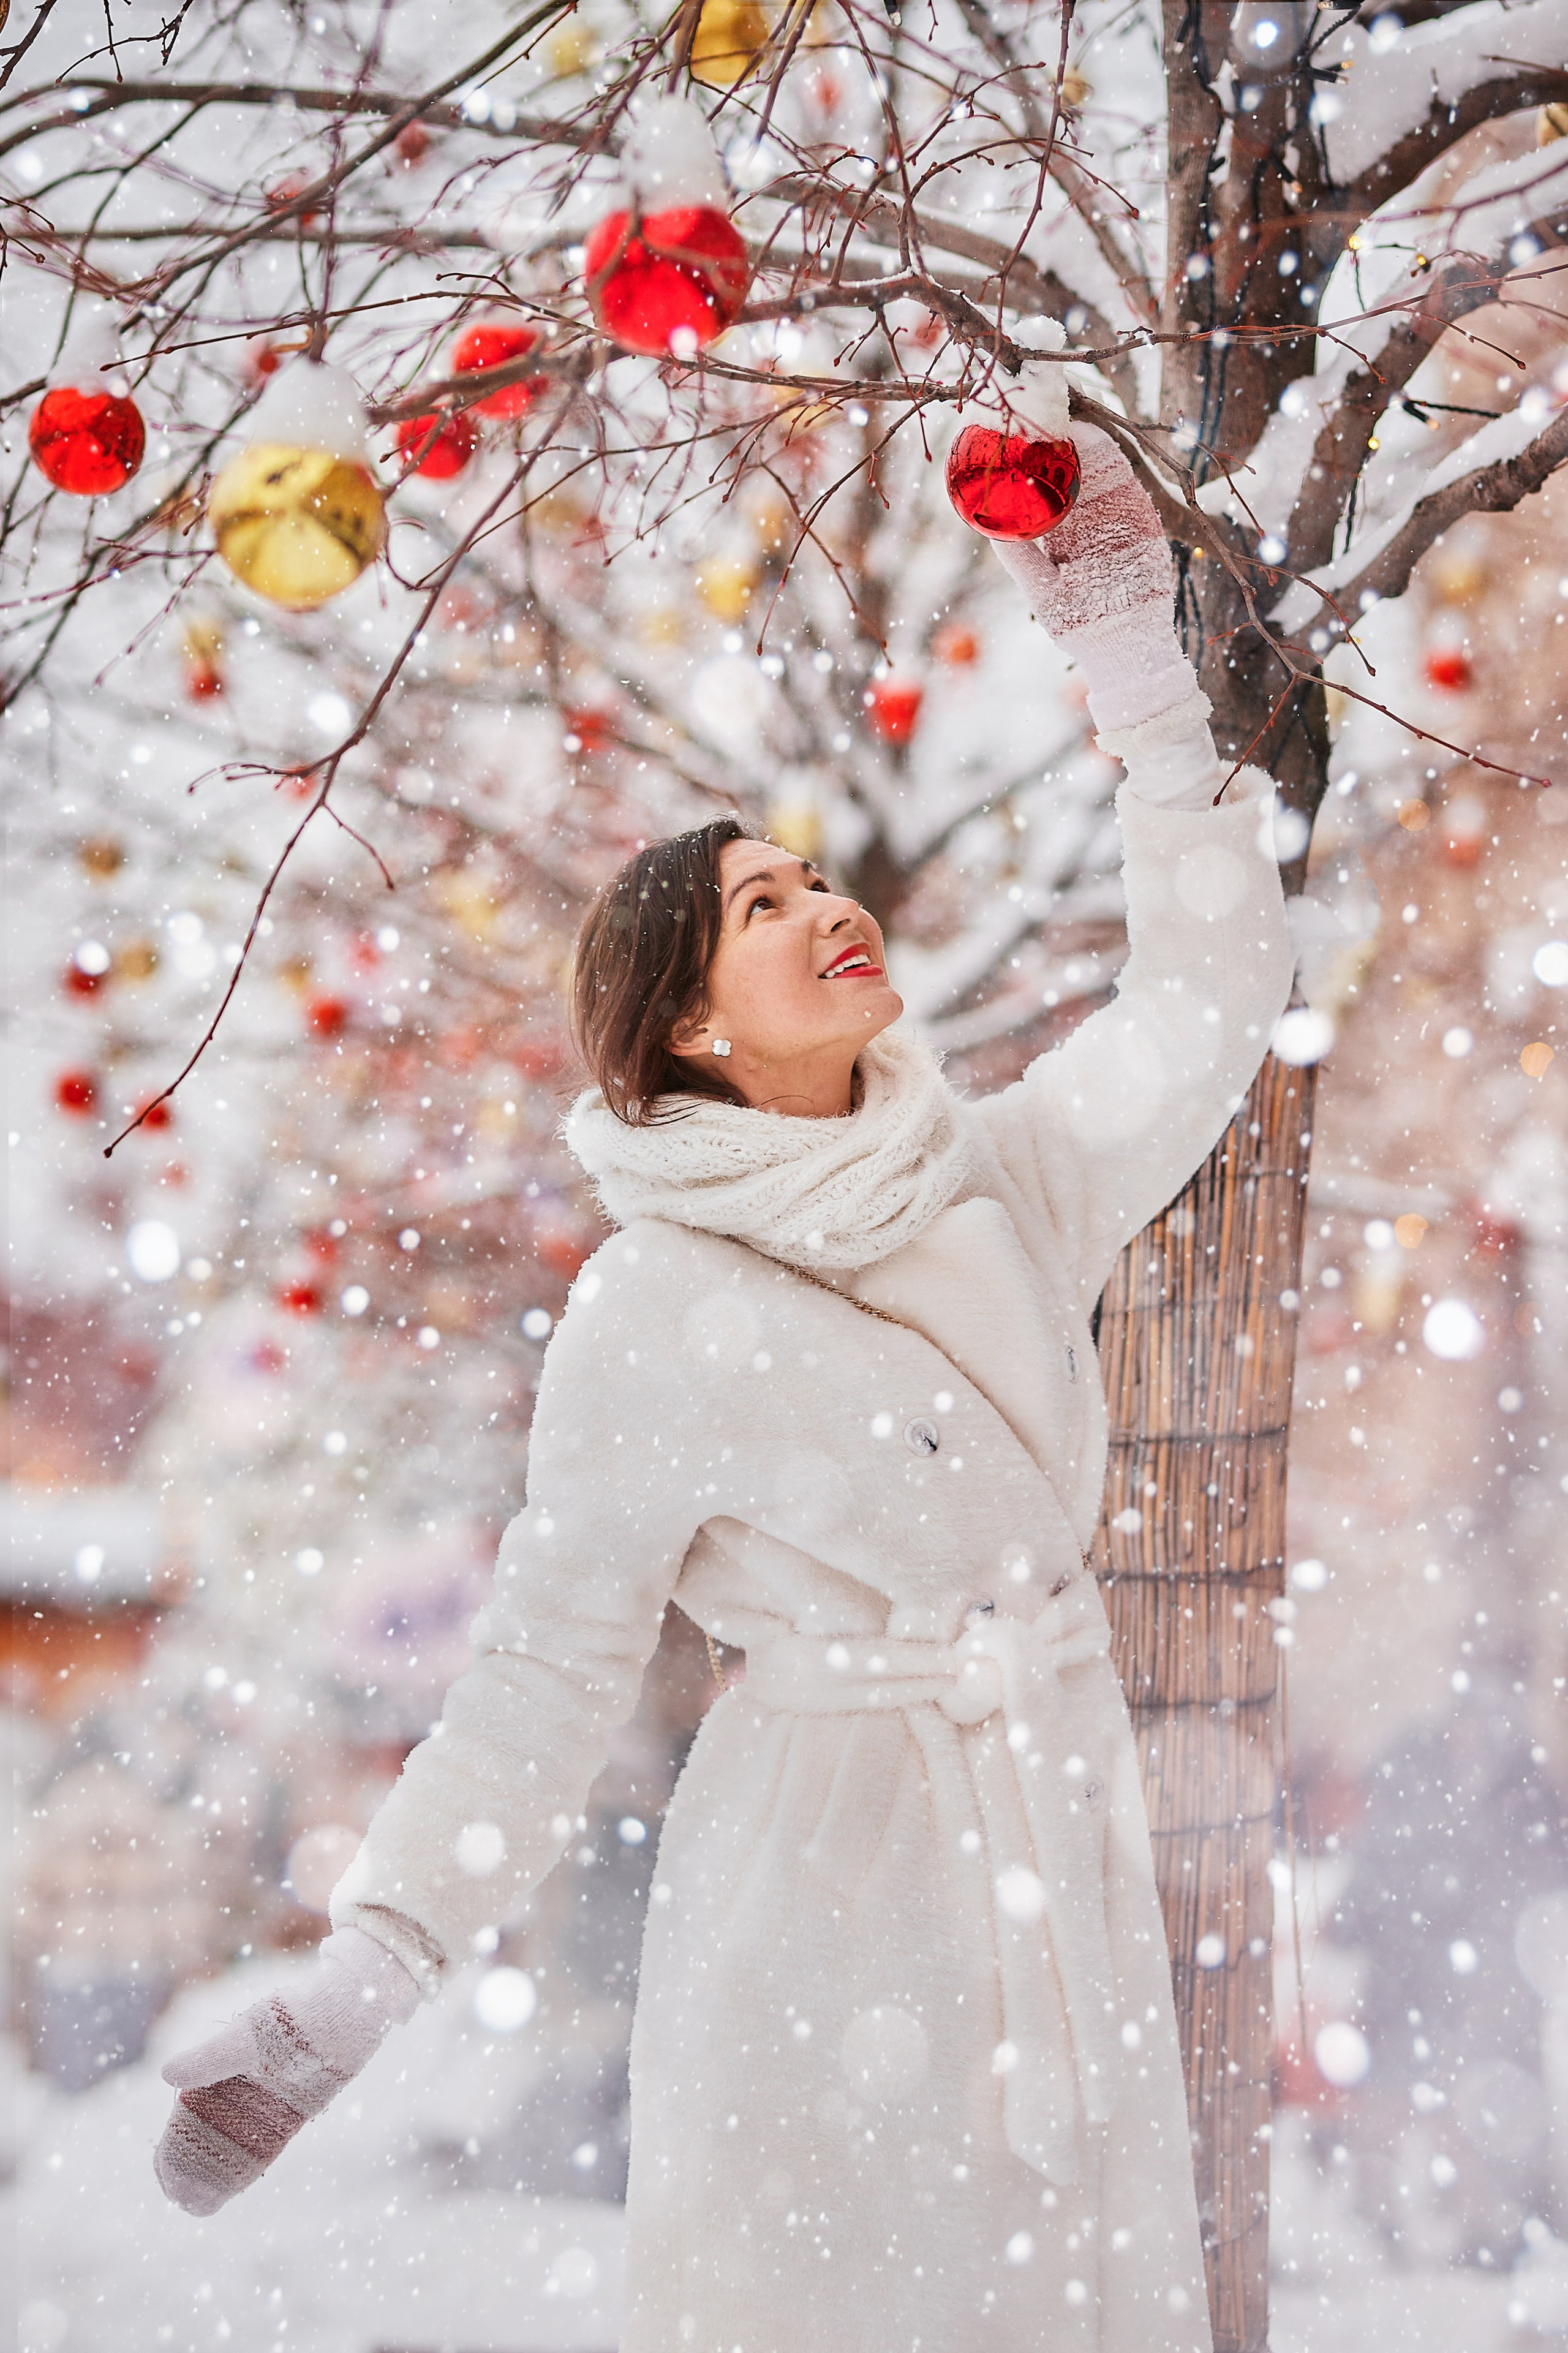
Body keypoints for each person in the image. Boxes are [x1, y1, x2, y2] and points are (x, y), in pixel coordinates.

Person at [154, 424, 1294, 2353]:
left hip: (1045, 1836)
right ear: (688, 1025)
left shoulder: (998, 1179)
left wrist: (1137, 685)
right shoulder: (649, 1310)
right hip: (817, 1877)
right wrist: (369, 1970)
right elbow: (544, 1670)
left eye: (807, 877)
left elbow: (1204, 1006)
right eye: (759, 908)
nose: (820, 904)